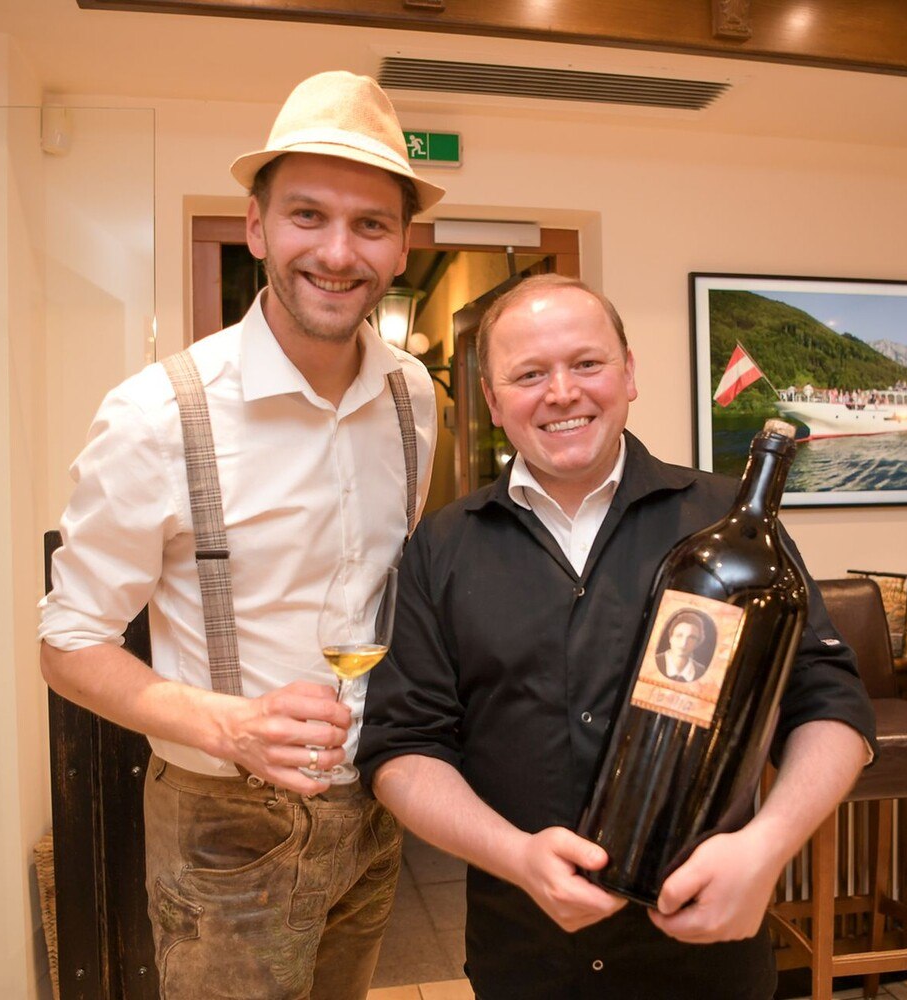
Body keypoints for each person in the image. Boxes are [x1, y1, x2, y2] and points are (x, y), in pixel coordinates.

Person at [38, 71, 444, 1000]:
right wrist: (230, 726)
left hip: (375, 810)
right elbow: (67, 644)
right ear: (257, 227)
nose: (338, 252)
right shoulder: (156, 414)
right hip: (224, 829)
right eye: (308, 215)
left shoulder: (414, 396)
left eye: (371, 225)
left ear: (401, 247)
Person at [360, 275, 876, 1000]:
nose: (562, 392)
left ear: (629, 373)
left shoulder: (728, 526)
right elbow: (403, 749)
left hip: (705, 958)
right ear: (493, 398)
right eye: (530, 373)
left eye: (587, 364)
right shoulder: (440, 548)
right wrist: (516, 855)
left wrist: (768, 848)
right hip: (526, 960)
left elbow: (830, 704)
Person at [654, 609, 712, 683]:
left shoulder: (701, 672)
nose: (684, 643)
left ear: (697, 643)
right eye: (679, 636)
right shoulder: (655, 661)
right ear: (670, 638)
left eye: (691, 638)